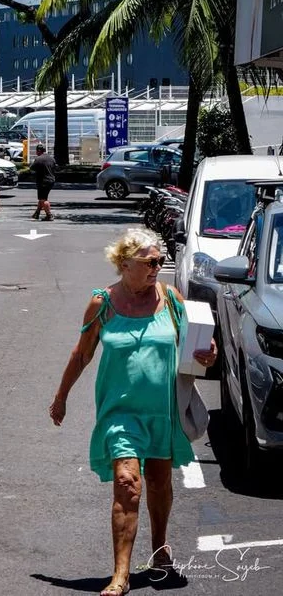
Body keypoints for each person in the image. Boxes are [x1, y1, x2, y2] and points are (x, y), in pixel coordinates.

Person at [49, 230, 217, 596]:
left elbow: (198, 346)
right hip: (119, 413)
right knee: (128, 484)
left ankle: (160, 549)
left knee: (158, 481)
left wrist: (209, 354)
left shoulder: (170, 298)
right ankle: (121, 574)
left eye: (160, 261)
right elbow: (81, 353)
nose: (158, 268)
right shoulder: (102, 303)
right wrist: (62, 396)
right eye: (150, 262)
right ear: (125, 265)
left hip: (162, 410)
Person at [31, 144, 57, 221]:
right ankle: (37, 213)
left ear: (38, 151)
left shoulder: (38, 159)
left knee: (43, 199)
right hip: (51, 180)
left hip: (43, 181)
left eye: (36, 151)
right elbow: (55, 168)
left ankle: (49, 215)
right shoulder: (51, 159)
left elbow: (32, 168)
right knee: (43, 198)